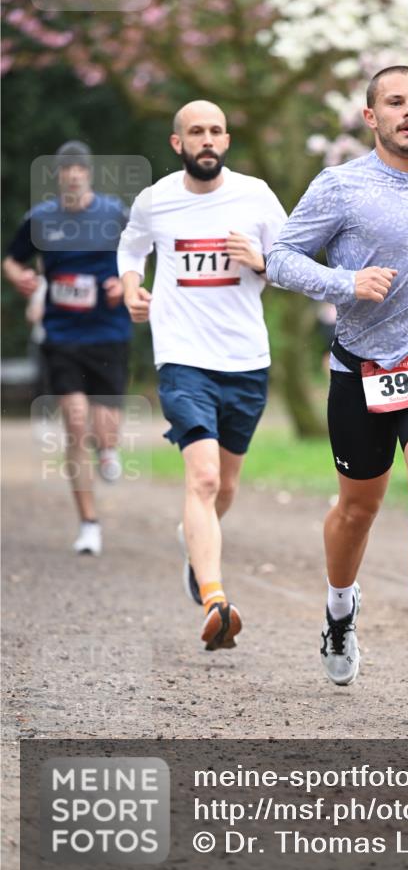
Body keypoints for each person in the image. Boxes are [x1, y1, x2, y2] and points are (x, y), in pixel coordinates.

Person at [267, 66, 408, 708]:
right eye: (395, 102)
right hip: (359, 371)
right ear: (371, 117)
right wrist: (347, 283)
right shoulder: (341, 186)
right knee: (357, 511)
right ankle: (340, 610)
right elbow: (282, 257)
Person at [118, 100, 286, 652]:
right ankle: (215, 598)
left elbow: (290, 262)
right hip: (183, 357)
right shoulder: (156, 200)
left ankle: (195, 544)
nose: (206, 140)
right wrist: (129, 288)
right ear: (178, 143)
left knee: (227, 486)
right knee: (205, 479)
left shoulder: (256, 196)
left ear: (227, 140)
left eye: (215, 131)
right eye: (196, 132)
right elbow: (131, 247)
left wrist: (259, 259)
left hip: (245, 361)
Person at [3, 140, 131, 557]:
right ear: (58, 176)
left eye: (80, 169)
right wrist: (20, 277)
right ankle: (89, 524)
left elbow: (142, 252)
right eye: (66, 170)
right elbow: (12, 259)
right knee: (75, 425)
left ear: (88, 174)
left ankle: (108, 447)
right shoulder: (41, 219)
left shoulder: (113, 213)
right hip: (62, 337)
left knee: (103, 427)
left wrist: (125, 283)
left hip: (109, 332)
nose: (73, 176)